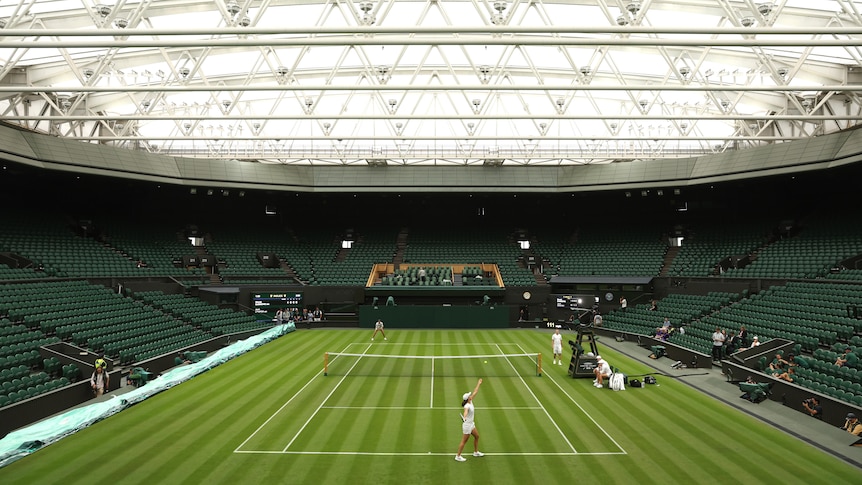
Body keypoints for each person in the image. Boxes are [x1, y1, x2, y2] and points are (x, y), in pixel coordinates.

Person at [455, 378, 484, 462]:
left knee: (477, 436)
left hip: (471, 424)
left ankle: (475, 452)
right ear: (468, 398)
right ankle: (458, 456)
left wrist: (479, 383)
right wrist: (464, 417)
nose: (471, 395)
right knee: (464, 441)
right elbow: (465, 412)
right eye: (469, 395)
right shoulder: (467, 406)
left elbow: (475, 391)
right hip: (467, 425)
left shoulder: (470, 401)